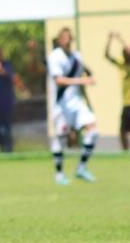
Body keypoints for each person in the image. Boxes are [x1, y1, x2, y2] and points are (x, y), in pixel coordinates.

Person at [47, 28, 98, 184]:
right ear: (59, 40)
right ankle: (59, 174)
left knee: (93, 129)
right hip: (62, 105)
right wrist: (82, 81)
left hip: (77, 102)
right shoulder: (55, 57)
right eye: (64, 38)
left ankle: (81, 168)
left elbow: (85, 71)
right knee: (62, 139)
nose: (67, 41)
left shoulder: (77, 57)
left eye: (69, 38)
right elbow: (59, 80)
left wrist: (89, 76)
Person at [105, 31, 130, 151]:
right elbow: (107, 56)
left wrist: (120, 39)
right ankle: (125, 152)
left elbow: (128, 49)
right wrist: (109, 40)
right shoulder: (122, 65)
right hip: (126, 104)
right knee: (122, 131)